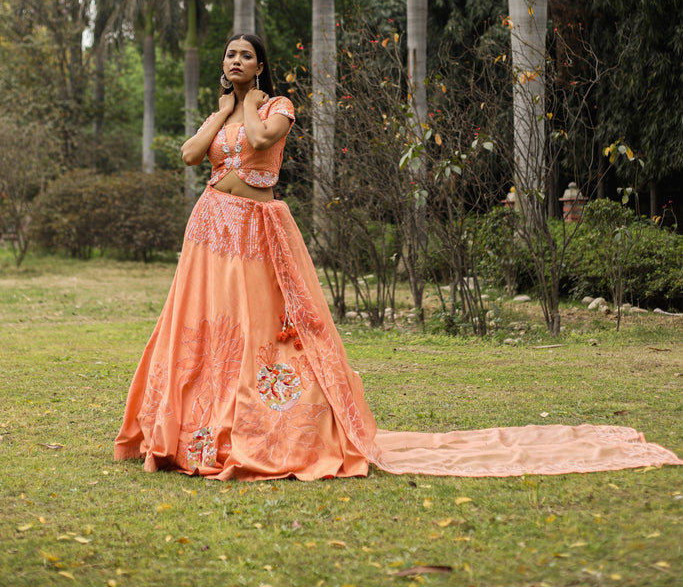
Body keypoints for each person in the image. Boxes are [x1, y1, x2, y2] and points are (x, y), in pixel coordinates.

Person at [115, 34, 682, 481]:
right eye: (230, 54)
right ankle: (195, 429)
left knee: (262, 326)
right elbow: (192, 155)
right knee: (205, 325)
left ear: (260, 66)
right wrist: (222, 111)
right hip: (212, 228)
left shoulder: (279, 105)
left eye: (245, 55)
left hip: (260, 229)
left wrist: (253, 105)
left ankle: (269, 426)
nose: (235, 59)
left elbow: (263, 142)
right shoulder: (222, 111)